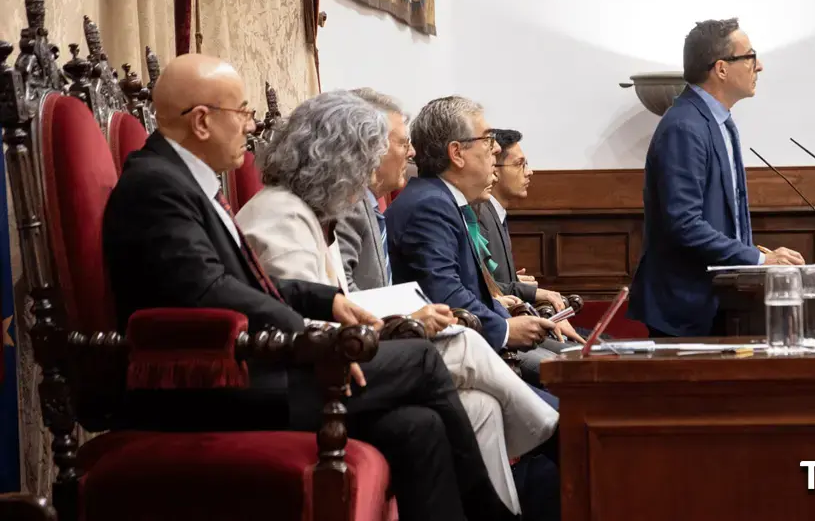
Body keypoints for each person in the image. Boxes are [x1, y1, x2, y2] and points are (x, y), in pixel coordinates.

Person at [101, 53, 517, 521]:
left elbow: (249, 283)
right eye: (242, 112)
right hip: (211, 383)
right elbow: (210, 294)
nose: (249, 125)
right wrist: (317, 340)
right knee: (421, 358)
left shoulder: (183, 181)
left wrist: (328, 301)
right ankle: (491, 513)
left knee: (415, 426)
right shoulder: (156, 187)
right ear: (201, 121)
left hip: (245, 365)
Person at [235, 89, 559, 515]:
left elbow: (338, 304)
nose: (374, 171)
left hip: (340, 359)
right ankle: (553, 436)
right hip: (305, 377)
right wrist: (398, 324)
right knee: (458, 345)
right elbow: (303, 323)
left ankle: (502, 506)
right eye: (367, 158)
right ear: (341, 158)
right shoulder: (282, 215)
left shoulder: (312, 213)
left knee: (470, 407)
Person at [627, 18, 805, 338]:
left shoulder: (719, 121)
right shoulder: (684, 126)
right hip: (686, 305)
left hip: (720, 298)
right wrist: (758, 258)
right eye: (750, 56)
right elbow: (683, 223)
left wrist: (752, 255)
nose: (759, 66)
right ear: (721, 69)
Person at [382, 96, 562, 388]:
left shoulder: (442, 199)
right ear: (457, 153)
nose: (496, 151)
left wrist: (505, 314)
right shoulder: (430, 205)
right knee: (563, 406)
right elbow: (445, 292)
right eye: (488, 141)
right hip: (441, 355)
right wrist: (504, 329)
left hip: (467, 342)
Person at [473, 128, 585, 348]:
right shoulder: (479, 215)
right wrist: (531, 291)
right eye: (520, 164)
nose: (529, 172)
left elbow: (494, 281)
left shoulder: (496, 213)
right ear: (494, 170)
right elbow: (485, 290)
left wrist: (516, 281)